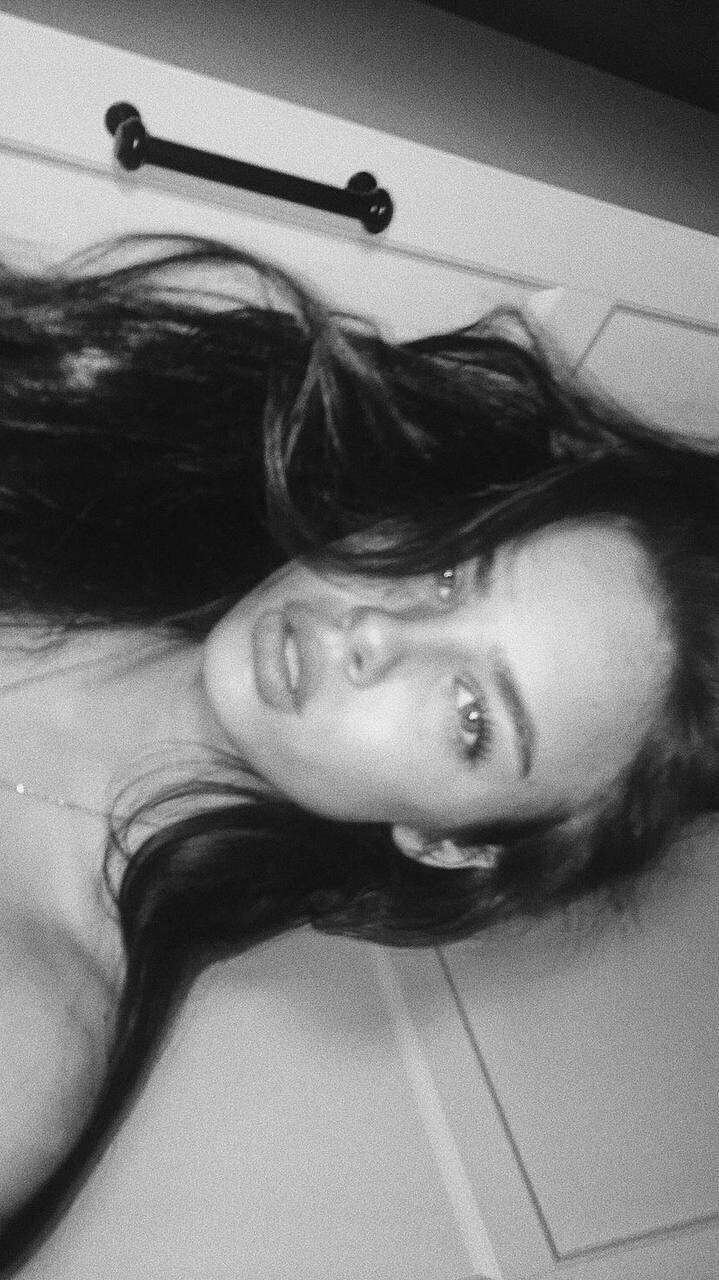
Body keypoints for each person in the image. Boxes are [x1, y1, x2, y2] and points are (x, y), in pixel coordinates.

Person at [0, 231, 716, 1273]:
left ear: (446, 842)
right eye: (452, 567)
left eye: (470, 716)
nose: (377, 632)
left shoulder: (27, 1030)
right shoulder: (84, 470)